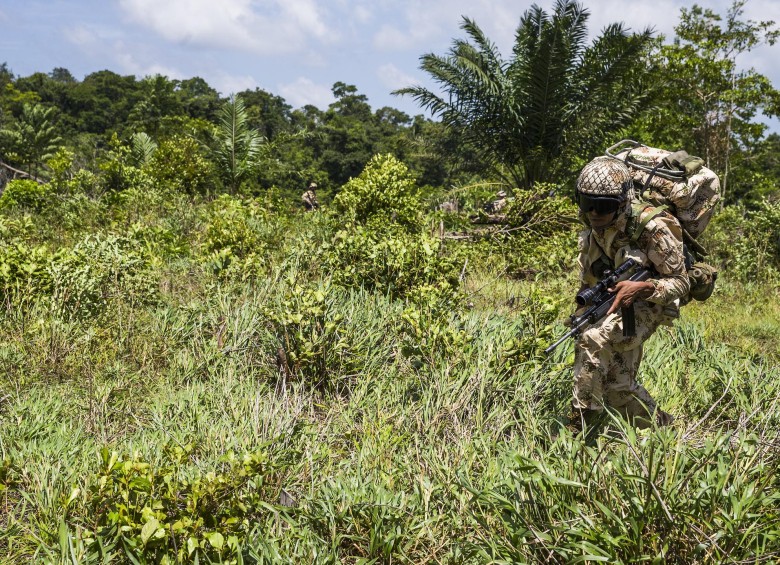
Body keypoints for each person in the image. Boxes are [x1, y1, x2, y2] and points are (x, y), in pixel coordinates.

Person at [569, 156, 689, 431]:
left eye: (603, 206)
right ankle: (663, 427)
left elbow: (681, 282)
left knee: (593, 339)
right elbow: (589, 278)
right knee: (619, 387)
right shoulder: (592, 228)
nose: (594, 213)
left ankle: (578, 427)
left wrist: (644, 288)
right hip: (613, 299)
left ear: (621, 202)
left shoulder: (652, 228)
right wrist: (581, 311)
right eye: (587, 204)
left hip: (650, 300)